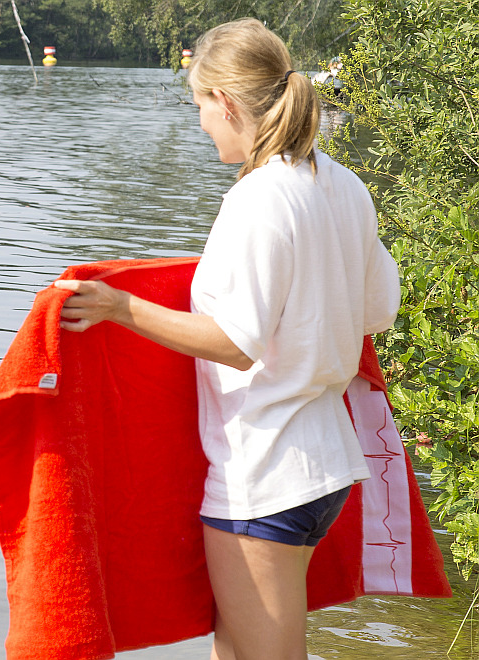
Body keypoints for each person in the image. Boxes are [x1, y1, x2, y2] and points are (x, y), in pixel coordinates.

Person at [53, 17, 399, 660]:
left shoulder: (259, 199)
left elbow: (236, 341)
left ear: (228, 102)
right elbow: (377, 309)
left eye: (200, 108)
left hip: (265, 475)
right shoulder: (343, 184)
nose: (201, 125)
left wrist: (119, 306)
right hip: (323, 466)